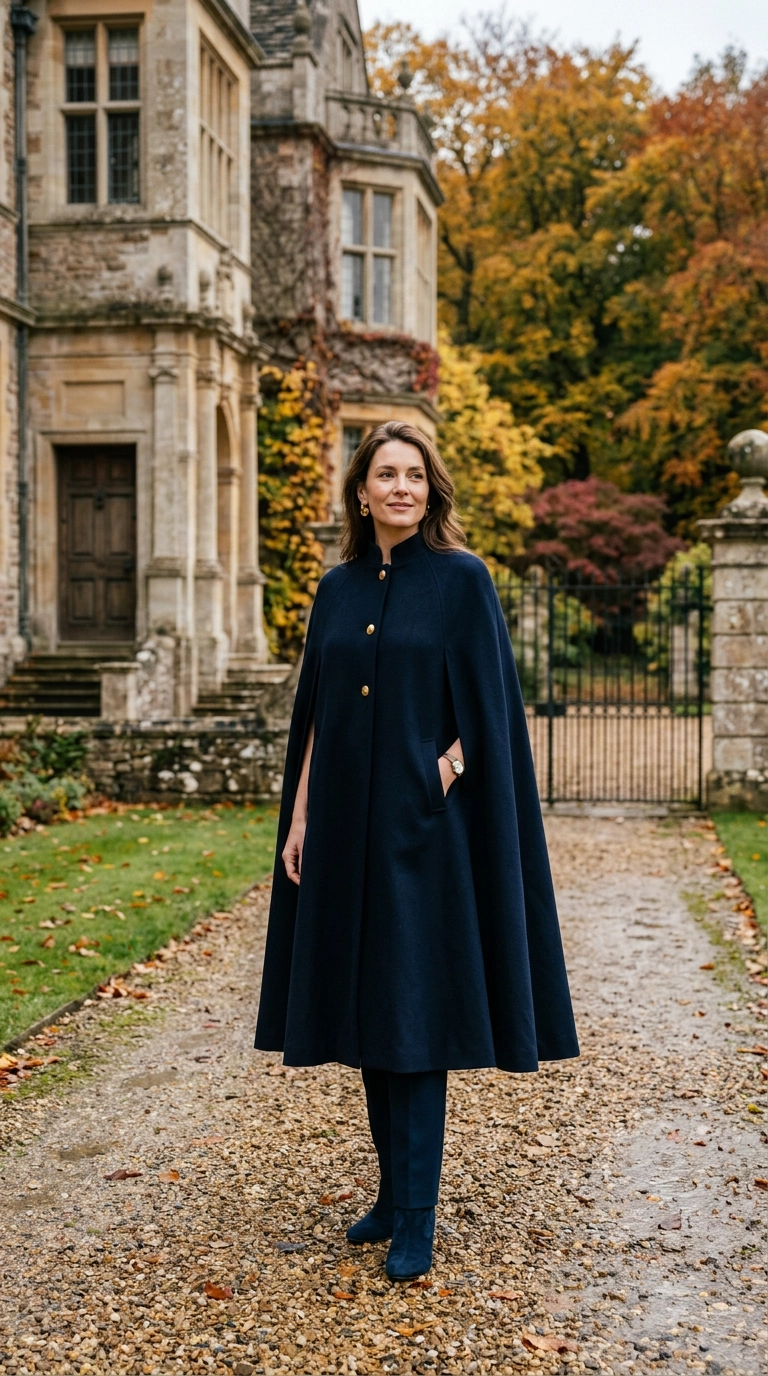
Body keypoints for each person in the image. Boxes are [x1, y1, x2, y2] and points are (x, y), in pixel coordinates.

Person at [255, 420, 578, 1281]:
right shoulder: (338, 587)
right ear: (360, 491)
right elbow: (319, 713)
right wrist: (301, 817)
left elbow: (493, 710)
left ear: (432, 490)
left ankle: (419, 1220)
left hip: (424, 836)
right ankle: (392, 1195)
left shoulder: (463, 581)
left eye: (415, 475)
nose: (401, 488)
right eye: (385, 475)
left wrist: (447, 767)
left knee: (413, 1016)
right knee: (366, 1011)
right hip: (344, 832)